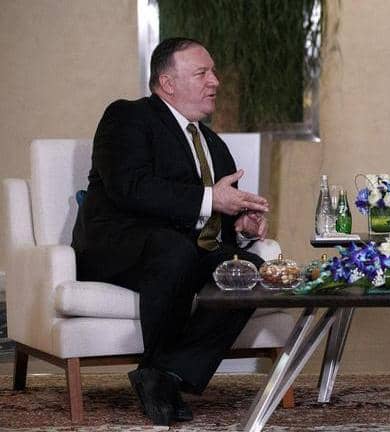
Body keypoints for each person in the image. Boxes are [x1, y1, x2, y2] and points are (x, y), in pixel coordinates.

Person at [72, 37, 270, 425]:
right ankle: (161, 375)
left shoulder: (213, 143)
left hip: (183, 253)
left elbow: (216, 213)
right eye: (202, 73)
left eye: (213, 72)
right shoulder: (127, 117)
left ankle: (165, 373)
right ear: (168, 83)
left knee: (246, 269)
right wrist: (211, 199)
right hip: (119, 247)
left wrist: (241, 227)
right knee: (173, 248)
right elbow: (131, 187)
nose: (215, 81)